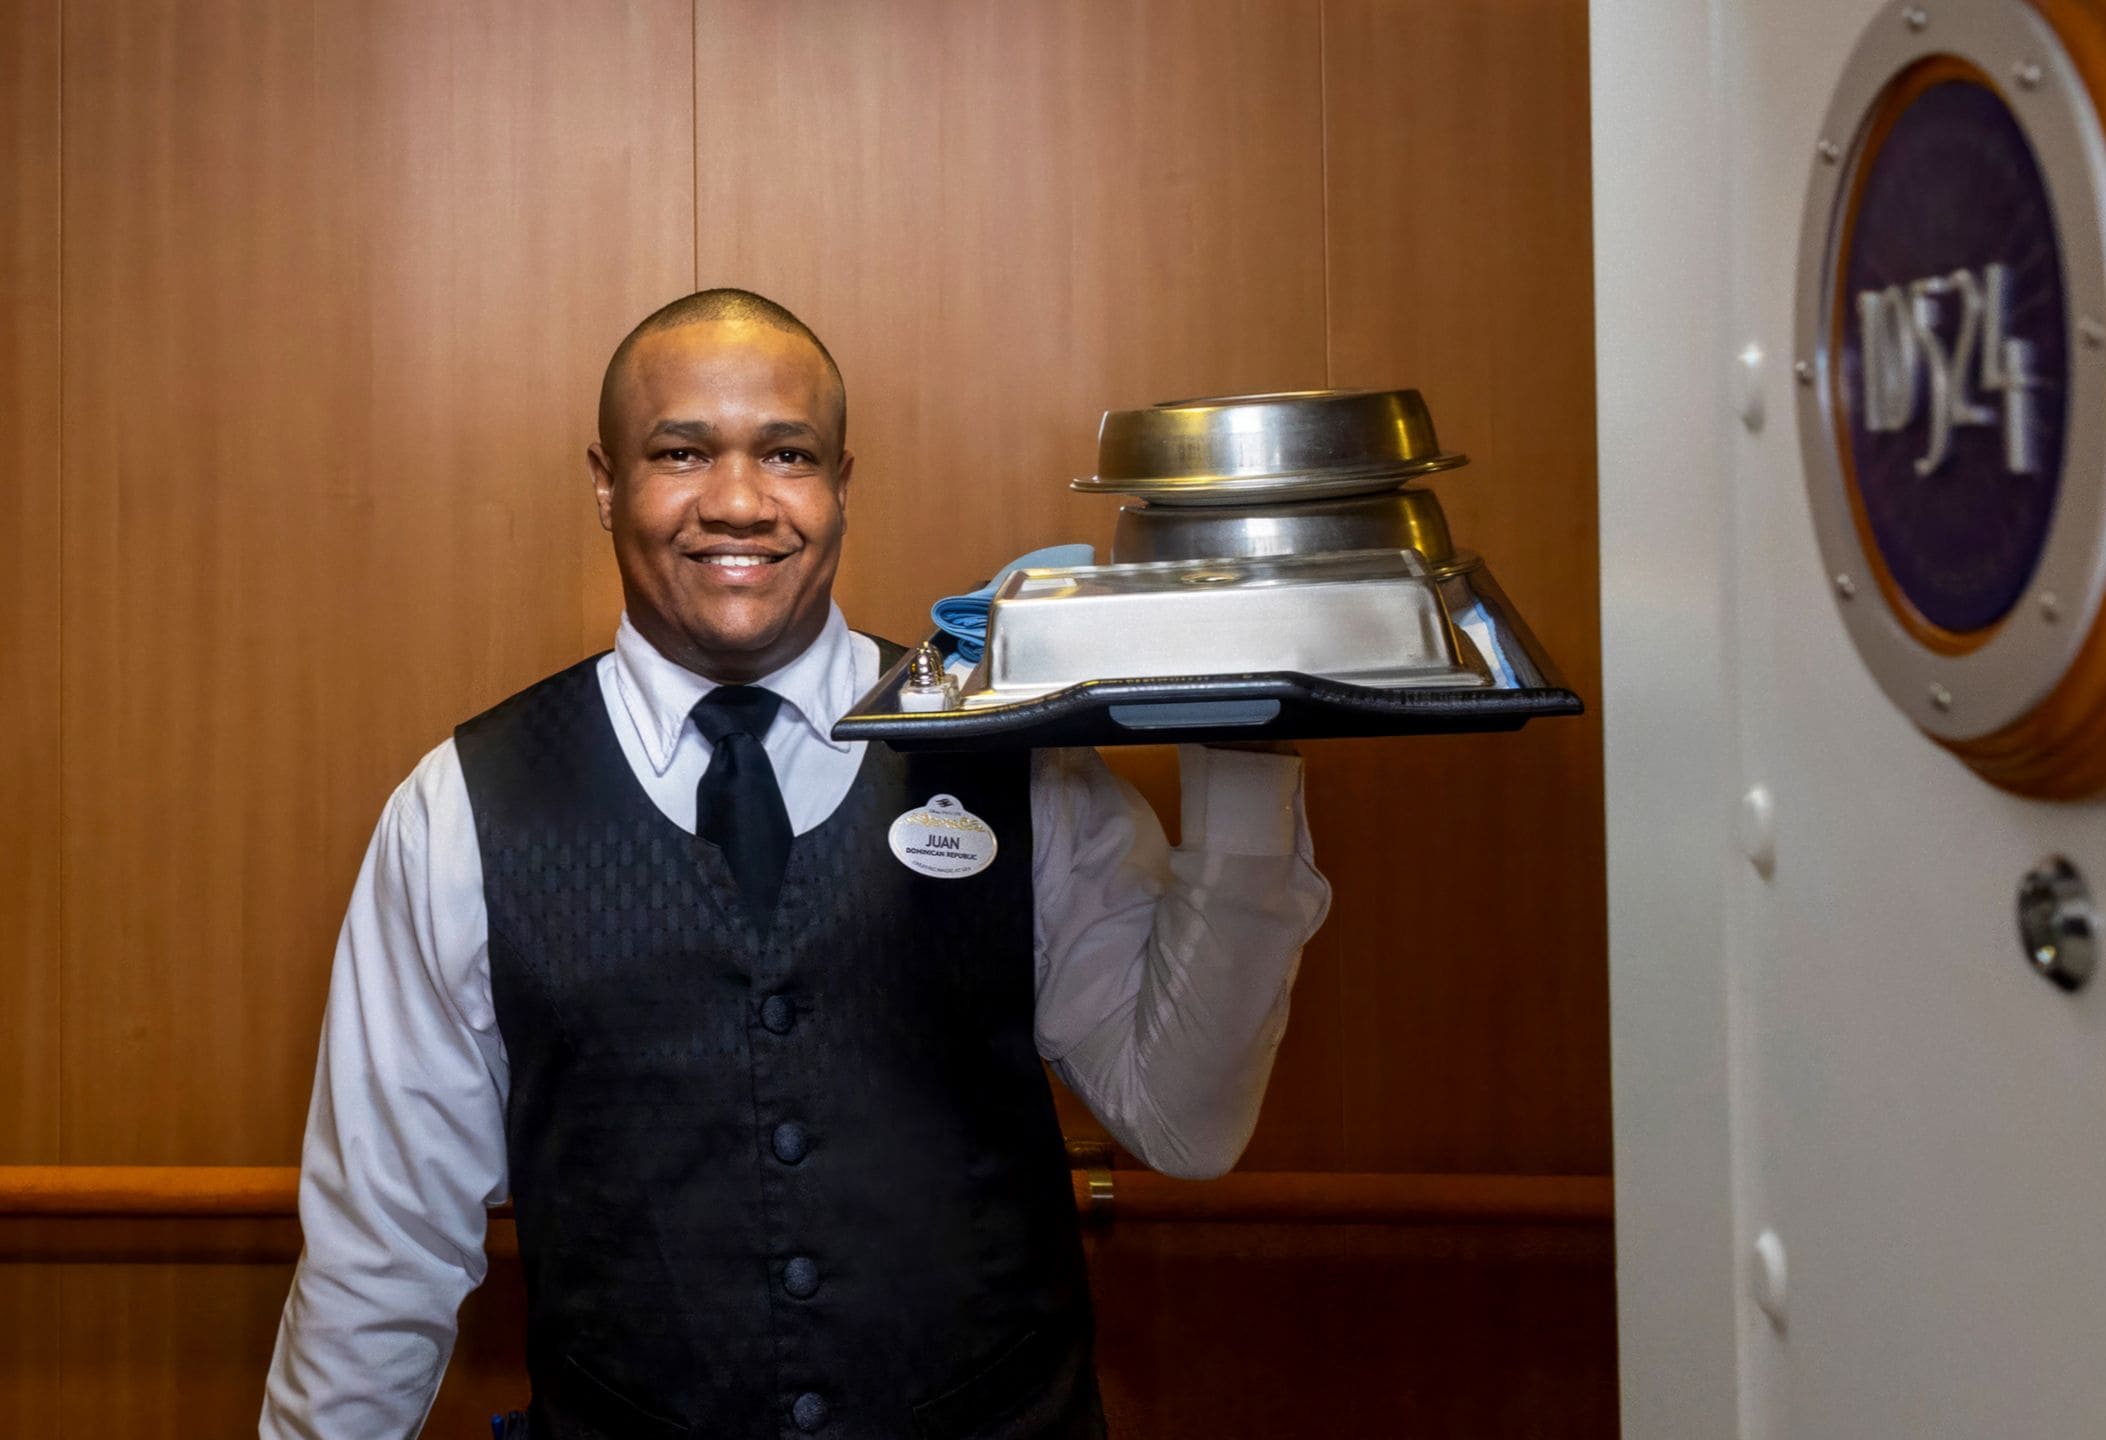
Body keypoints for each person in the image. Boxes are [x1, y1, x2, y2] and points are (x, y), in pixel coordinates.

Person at [257, 289, 1331, 1439]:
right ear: (606, 483)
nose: (737, 503)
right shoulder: (457, 810)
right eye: (680, 452)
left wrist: (1246, 760)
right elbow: (384, 1255)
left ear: (840, 485)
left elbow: (1185, 1125)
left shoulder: (1015, 760)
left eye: (786, 453)